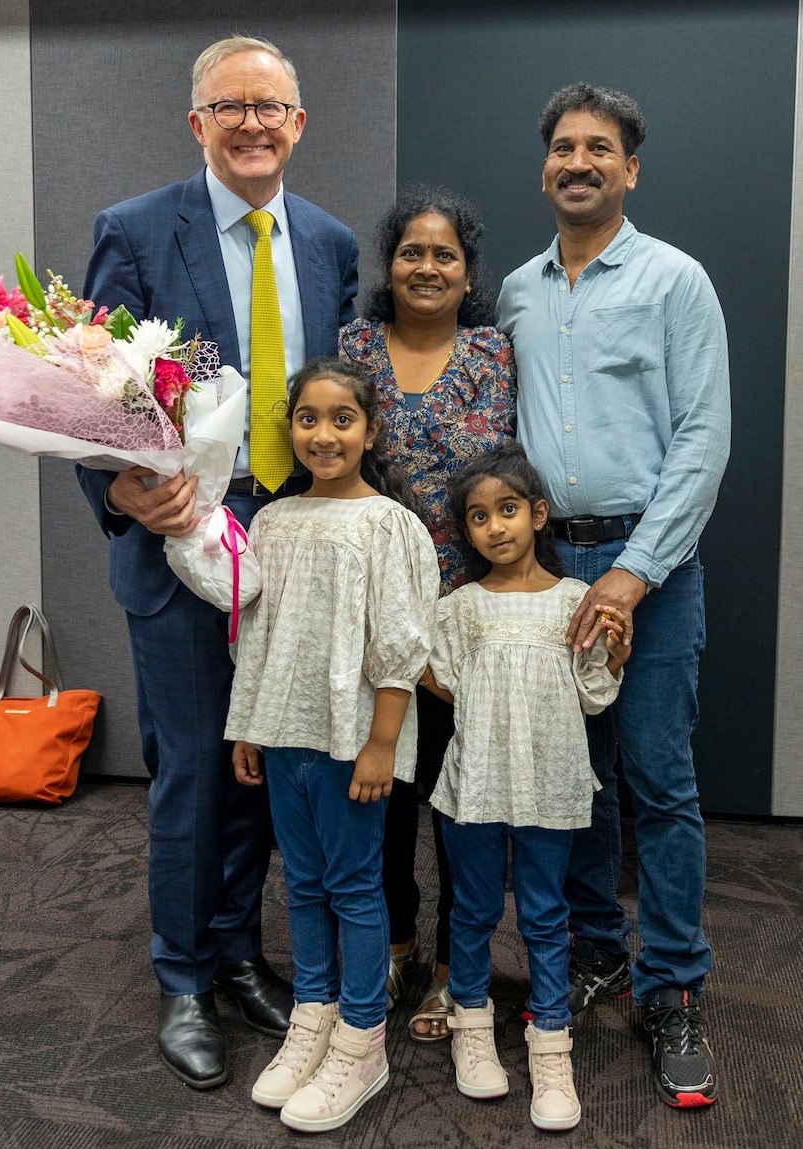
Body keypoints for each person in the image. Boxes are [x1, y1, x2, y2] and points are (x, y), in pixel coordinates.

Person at [76, 36, 359, 1090]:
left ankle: (241, 955)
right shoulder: (138, 229)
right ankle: (184, 978)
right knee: (194, 772)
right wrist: (116, 489)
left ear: (298, 124)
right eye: (229, 106)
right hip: (179, 544)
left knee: (263, 771)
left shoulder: (329, 243)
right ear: (197, 124)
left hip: (290, 554)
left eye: (271, 106)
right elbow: (86, 387)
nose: (252, 123)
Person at [496, 82, 731, 1108]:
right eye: (561, 147)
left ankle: (674, 988)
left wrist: (633, 576)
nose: (577, 161)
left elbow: (703, 440)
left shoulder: (676, 281)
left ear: (629, 169)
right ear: (544, 167)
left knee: (657, 783)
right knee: (574, 779)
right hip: (547, 572)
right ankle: (598, 948)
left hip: (653, 567)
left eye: (598, 148)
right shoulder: (514, 289)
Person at [228, 358, 440, 1132]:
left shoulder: (389, 524)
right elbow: (256, 633)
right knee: (306, 882)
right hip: (285, 733)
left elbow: (401, 644)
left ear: (370, 429)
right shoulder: (275, 522)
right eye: (308, 418)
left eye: (341, 419)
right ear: (291, 430)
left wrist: (384, 742)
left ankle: (362, 1037)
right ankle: (312, 1013)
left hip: (354, 742)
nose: (324, 433)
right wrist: (249, 723)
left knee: (355, 886)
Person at [339, 186, 515, 1041]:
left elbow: (506, 479)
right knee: (382, 794)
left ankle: (454, 968)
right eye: (412, 250)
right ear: (390, 263)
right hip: (371, 614)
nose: (428, 266)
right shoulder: (353, 348)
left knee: (455, 802)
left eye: (446, 254)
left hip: (460, 620)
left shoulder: (493, 353)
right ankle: (398, 943)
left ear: (468, 272)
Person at [421, 444, 629, 1131]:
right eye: (478, 517)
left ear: (539, 513)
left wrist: (615, 653)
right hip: (475, 785)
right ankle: (473, 1029)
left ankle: (550, 1050)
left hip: (550, 785)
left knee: (544, 916)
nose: (495, 526)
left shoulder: (577, 602)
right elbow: (444, 682)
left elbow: (593, 695)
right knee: (474, 910)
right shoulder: (460, 608)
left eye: (508, 509)